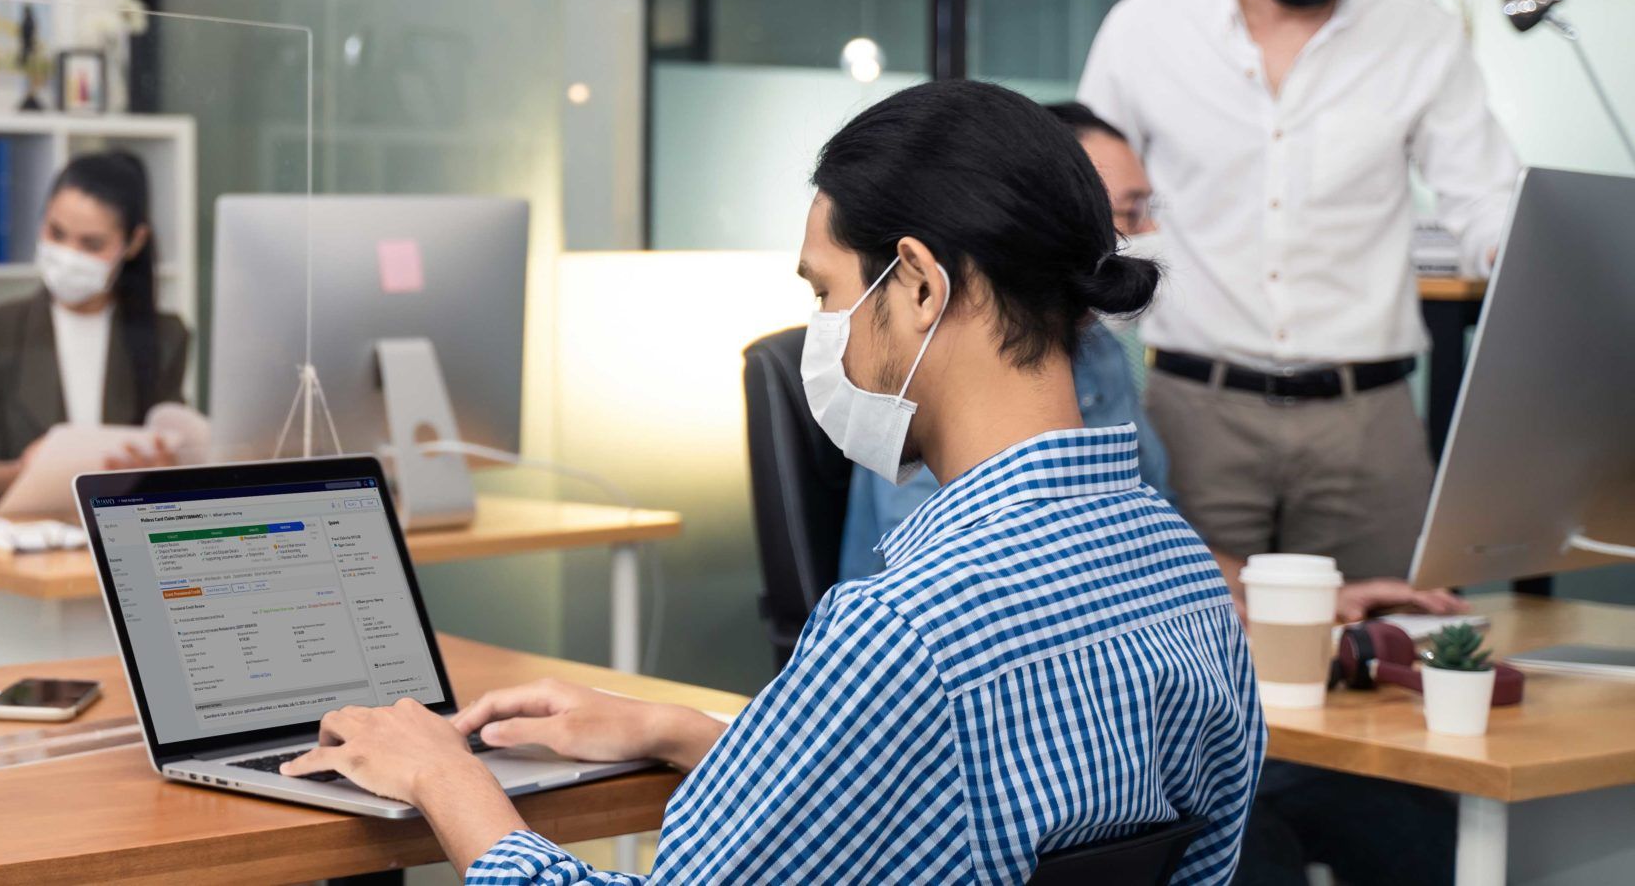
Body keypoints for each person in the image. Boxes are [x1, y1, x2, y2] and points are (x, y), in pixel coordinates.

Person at [281, 80, 1262, 883]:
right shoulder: (1181, 576)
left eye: (824, 292)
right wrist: (683, 729)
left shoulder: (910, 627)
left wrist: (443, 776)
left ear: (917, 285)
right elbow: (965, 814)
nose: (819, 335)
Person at [1077, 0, 1520, 582]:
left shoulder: (1418, 35)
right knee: (1193, 658)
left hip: (1369, 422)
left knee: (1392, 654)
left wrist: (1534, 265)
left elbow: (1484, 197)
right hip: (1194, 409)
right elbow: (1086, 198)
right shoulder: (1146, 30)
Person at [837, 101, 1174, 581]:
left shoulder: (1101, 349)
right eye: (1131, 212)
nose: (1150, 232)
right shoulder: (936, 363)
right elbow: (936, 563)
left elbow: (1157, 502)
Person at [0, 150, 192, 513]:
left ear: (134, 242)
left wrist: (166, 470)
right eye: (56, 233)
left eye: (91, 244)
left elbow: (172, 461)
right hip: (30, 547)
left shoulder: (165, 338)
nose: (68, 254)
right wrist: (24, 469)